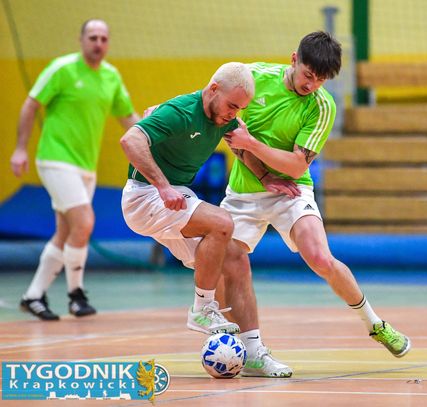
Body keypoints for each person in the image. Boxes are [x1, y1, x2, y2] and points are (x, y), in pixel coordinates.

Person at [218, 31, 411, 377]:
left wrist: (253, 145)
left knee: (320, 257)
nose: (312, 84)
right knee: (228, 263)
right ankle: (245, 348)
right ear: (294, 59)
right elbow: (226, 123)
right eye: (308, 74)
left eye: (321, 80)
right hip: (244, 192)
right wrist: (262, 172)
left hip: (291, 191)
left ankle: (375, 324)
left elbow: (295, 166)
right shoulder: (253, 77)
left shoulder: (322, 106)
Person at [10, 19, 140, 321]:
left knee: (66, 230)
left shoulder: (111, 76)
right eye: (93, 37)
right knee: (84, 222)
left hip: (85, 166)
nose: (98, 43)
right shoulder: (62, 68)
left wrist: (153, 136)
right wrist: (20, 148)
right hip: (55, 158)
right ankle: (76, 294)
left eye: (103, 38)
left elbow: (127, 117)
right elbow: (31, 104)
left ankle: (33, 296)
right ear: (81, 40)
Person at [120, 62, 255, 335]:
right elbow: (130, 140)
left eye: (239, 108)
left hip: (177, 195)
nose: (234, 113)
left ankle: (234, 342)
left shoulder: (225, 119)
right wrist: (163, 187)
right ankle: (201, 311)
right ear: (213, 89)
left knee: (229, 258)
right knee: (222, 223)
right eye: (232, 105)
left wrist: (270, 178)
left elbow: (247, 154)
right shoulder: (179, 111)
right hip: (144, 196)